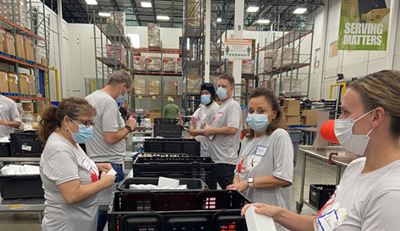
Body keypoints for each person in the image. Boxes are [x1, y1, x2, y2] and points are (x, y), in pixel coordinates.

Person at [241, 70, 400, 231]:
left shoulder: (391, 194)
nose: (339, 120)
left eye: (346, 112)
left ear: (376, 117)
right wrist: (279, 214)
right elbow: (322, 225)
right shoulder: (356, 168)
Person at [38, 97, 115, 231]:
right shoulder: (59, 150)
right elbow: (72, 195)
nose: (89, 128)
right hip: (66, 225)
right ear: (67, 121)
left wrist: (97, 166)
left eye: (91, 123)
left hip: (81, 222)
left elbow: (73, 165)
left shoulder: (71, 141)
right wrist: (104, 183)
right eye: (85, 122)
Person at [226, 87, 293, 231]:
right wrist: (237, 183)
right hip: (250, 213)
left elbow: (284, 178)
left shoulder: (279, 136)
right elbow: (239, 170)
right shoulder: (247, 140)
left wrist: (248, 183)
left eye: (261, 111)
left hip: (272, 219)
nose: (254, 115)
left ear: (273, 114)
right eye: (251, 111)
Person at [85, 70, 137, 231]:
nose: (125, 95)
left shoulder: (90, 98)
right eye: (126, 92)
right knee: (106, 208)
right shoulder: (108, 102)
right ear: (122, 86)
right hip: (110, 163)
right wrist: (129, 126)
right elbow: (110, 137)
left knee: (98, 205)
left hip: (95, 159)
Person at [203, 75, 242, 189]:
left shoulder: (233, 106)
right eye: (219, 86)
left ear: (231, 88)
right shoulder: (221, 107)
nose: (220, 89)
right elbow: (217, 128)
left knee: (231, 191)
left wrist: (211, 130)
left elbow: (232, 128)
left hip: (226, 160)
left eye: (224, 86)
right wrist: (208, 128)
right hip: (217, 158)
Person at [189, 83, 219, 157]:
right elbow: (196, 122)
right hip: (200, 146)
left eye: (206, 93)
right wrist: (193, 129)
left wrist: (198, 132)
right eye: (202, 93)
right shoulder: (202, 108)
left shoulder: (215, 109)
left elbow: (214, 133)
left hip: (209, 150)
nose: (204, 95)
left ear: (212, 95)